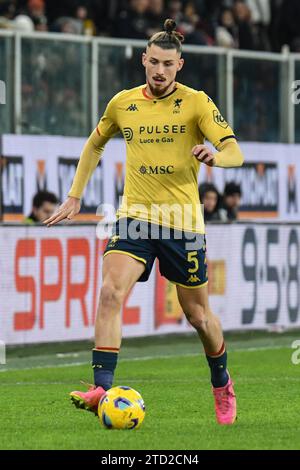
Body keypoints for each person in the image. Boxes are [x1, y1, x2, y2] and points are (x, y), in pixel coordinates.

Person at [45, 19, 244, 425]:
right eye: (153, 62)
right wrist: (74, 194)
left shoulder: (197, 102)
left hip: (183, 223)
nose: (159, 71)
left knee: (198, 316)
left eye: (168, 64)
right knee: (109, 292)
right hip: (134, 218)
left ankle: (222, 383)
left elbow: (234, 150)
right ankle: (101, 386)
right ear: (143, 60)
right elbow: (94, 142)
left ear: (180, 65)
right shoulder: (122, 103)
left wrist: (216, 157)